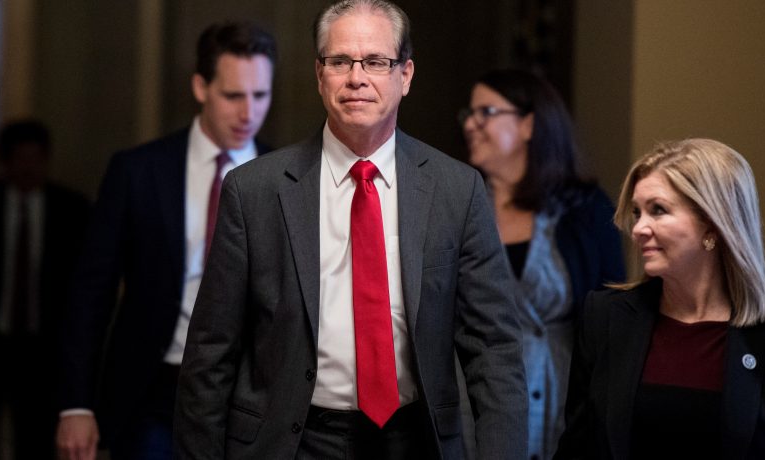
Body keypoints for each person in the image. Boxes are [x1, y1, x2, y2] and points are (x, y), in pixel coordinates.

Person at [174, 1, 528, 459]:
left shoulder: (456, 190)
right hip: (295, 441)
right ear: (320, 75)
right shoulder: (254, 191)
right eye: (340, 61)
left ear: (406, 75)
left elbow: (493, 348)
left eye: (376, 62)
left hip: (414, 440)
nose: (356, 77)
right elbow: (210, 355)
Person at [55, 21, 277, 460]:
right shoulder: (138, 171)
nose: (248, 112)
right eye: (233, 95)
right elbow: (90, 294)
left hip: (252, 393)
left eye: (260, 96)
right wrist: (75, 403)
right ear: (200, 86)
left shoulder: (285, 176)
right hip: (154, 389)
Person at [554, 139, 765, 459]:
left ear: (712, 224)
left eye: (658, 210)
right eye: (637, 212)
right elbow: (577, 448)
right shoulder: (605, 318)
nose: (638, 228)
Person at [458, 69, 625, 460]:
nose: (470, 124)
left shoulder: (586, 210)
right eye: (468, 113)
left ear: (530, 123)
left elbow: (613, 317)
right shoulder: (459, 206)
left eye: (486, 112)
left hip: (566, 406)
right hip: (474, 409)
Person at [0, 119, 90, 460]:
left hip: (45, 344)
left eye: (34, 158)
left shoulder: (71, 209)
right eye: (19, 159)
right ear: (5, 162)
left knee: (36, 435)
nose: (27, 167)